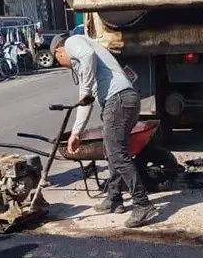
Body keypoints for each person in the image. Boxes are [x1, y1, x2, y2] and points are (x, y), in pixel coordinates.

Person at [50, 33, 157, 228]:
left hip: (118, 100)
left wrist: (87, 91)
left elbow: (88, 61)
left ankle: (143, 204)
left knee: (117, 155)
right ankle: (114, 198)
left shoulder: (73, 42)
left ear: (58, 52)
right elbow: (86, 101)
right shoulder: (83, 58)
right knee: (111, 151)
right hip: (126, 99)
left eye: (59, 61)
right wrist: (77, 132)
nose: (63, 65)